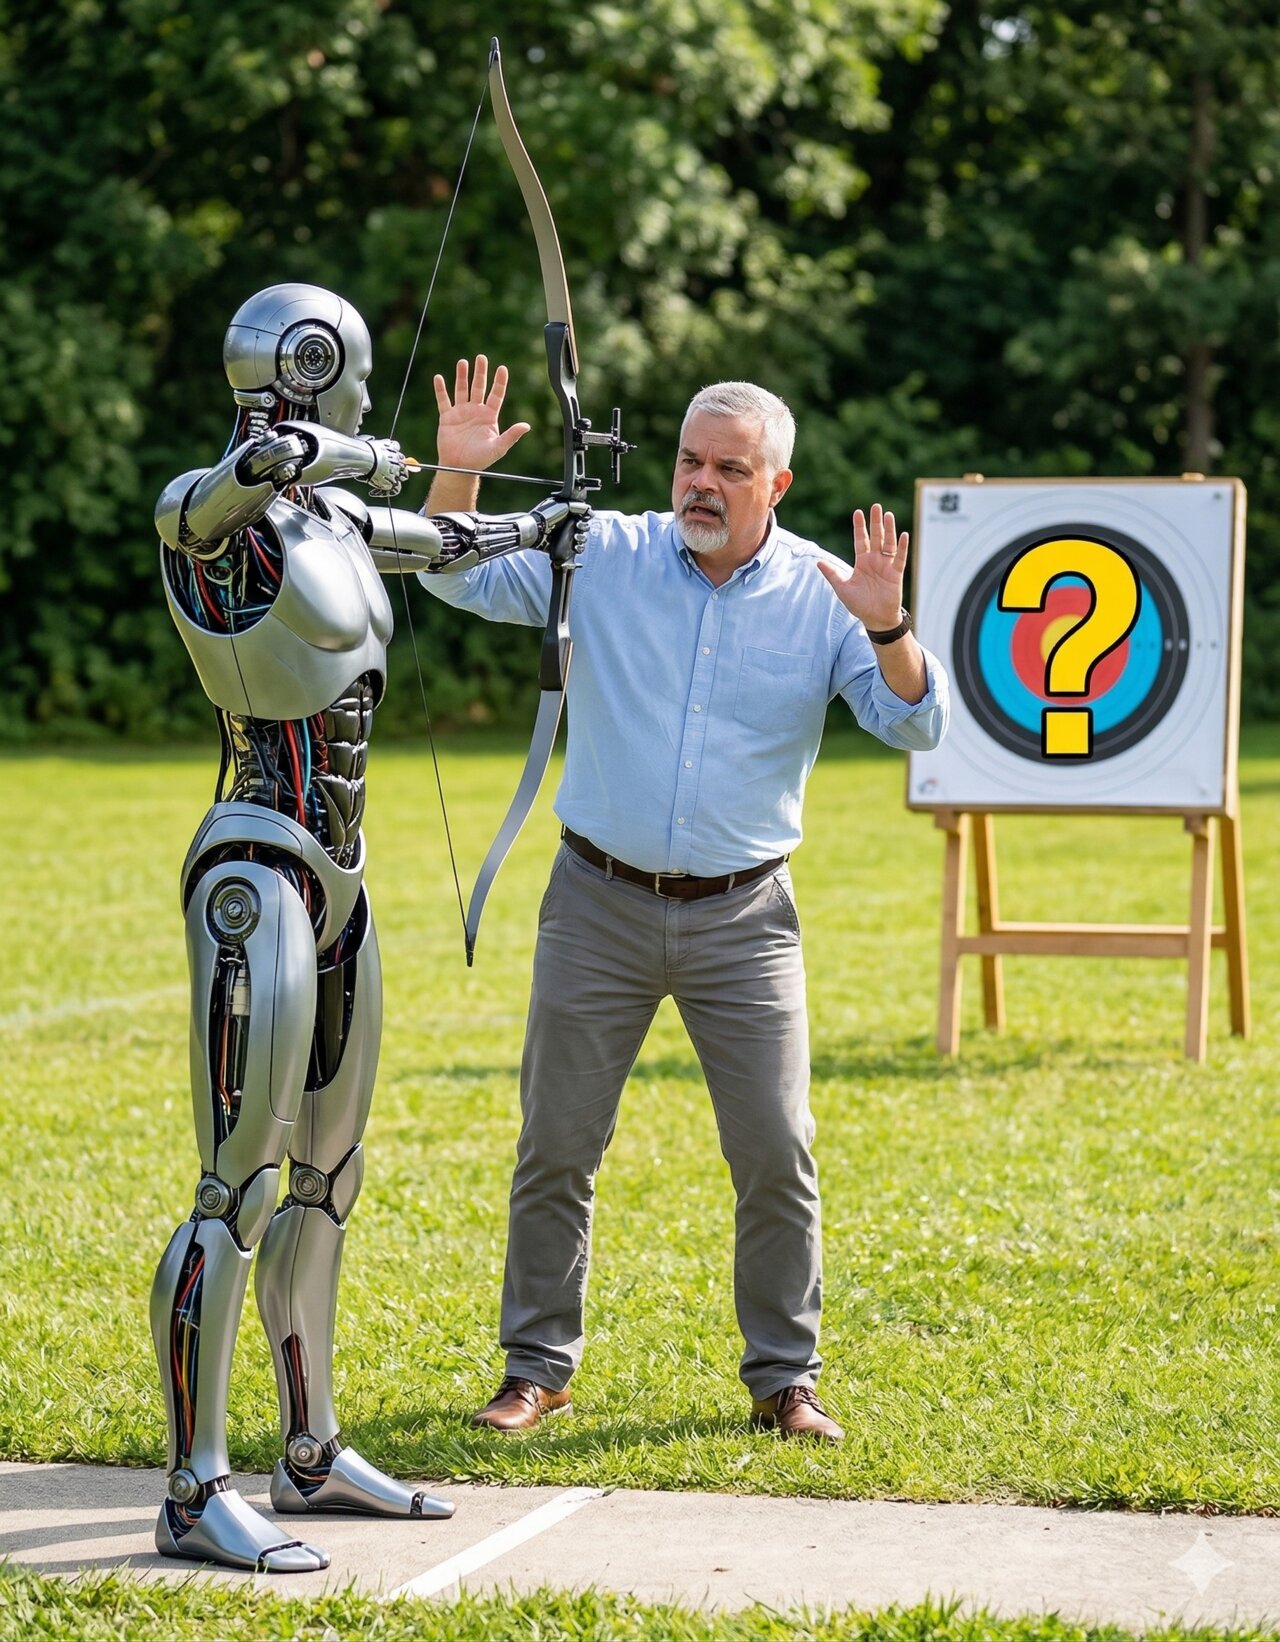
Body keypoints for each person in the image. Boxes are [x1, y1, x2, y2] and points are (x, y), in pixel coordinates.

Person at [418, 359, 949, 1443]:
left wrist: (889, 627)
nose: (700, 483)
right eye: (687, 460)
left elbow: (916, 725)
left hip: (745, 918)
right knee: (555, 1144)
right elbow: (452, 576)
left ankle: (783, 1381)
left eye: (729, 468)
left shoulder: (825, 593)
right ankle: (535, 1368)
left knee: (774, 1152)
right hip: (596, 898)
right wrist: (456, 480)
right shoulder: (603, 555)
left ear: (777, 483)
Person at [150, 286, 582, 1572]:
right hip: (257, 858)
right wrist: (309, 456)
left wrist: (544, 518)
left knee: (328, 1177)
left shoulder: (333, 511)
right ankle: (191, 1484)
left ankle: (312, 1448)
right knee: (236, 1184)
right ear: (309, 366)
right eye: (348, 370)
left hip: (337, 871)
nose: (361, 392)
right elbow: (220, 494)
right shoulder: (214, 513)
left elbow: (438, 542)